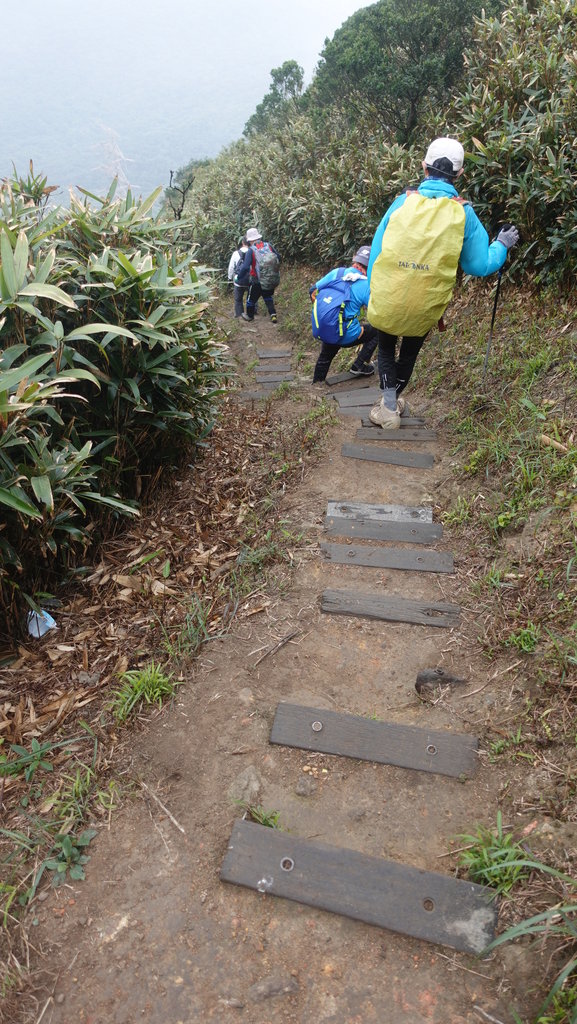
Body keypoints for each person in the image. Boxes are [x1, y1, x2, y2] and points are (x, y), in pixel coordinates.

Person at [366, 137, 520, 429]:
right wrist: (501, 244)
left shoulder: (401, 202)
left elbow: (376, 251)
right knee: (409, 352)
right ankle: (390, 402)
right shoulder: (463, 212)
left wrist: (373, 290)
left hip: (389, 293)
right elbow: (478, 265)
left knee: (385, 347)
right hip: (427, 302)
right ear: (460, 174)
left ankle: (388, 407)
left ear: (424, 166)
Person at [309, 245, 378, 384]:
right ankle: (359, 365)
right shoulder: (366, 285)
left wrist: (326, 311)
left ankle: (317, 384)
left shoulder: (338, 272)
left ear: (355, 260)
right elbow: (377, 312)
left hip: (325, 326)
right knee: (378, 331)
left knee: (325, 355)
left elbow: (312, 290)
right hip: (347, 334)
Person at [236, 227, 281, 323]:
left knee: (251, 299)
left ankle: (249, 316)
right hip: (270, 278)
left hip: (257, 281)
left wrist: (238, 277)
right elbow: (279, 257)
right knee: (268, 296)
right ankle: (273, 314)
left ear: (249, 240)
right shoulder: (268, 246)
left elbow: (245, 267)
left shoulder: (251, 250)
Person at [227, 237, 249, 318]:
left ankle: (239, 314)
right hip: (250, 279)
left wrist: (230, 278)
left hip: (238, 280)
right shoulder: (253, 252)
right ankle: (252, 312)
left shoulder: (235, 253)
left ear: (242, 242)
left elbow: (231, 267)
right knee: (251, 297)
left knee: (238, 299)